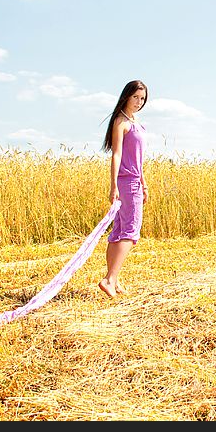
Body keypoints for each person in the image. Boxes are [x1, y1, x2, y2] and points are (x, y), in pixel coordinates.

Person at [98, 79, 148, 298]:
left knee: (118, 231)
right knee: (130, 231)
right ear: (126, 96)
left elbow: (137, 159)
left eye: (142, 99)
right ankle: (109, 279)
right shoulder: (122, 121)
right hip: (126, 183)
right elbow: (116, 154)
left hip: (135, 181)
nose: (138, 102)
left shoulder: (134, 121)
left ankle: (114, 280)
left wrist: (144, 183)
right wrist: (113, 185)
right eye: (135, 97)